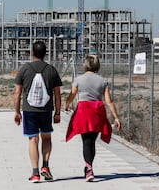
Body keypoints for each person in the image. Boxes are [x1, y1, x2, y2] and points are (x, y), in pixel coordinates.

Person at [64, 54, 121, 182]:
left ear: (85, 65)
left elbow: (72, 95)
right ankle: (89, 166)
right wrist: (116, 117)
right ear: (97, 65)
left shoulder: (79, 79)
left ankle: (89, 169)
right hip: (97, 112)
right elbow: (109, 101)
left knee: (86, 140)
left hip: (84, 111)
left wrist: (66, 105)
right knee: (92, 141)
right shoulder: (103, 81)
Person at [14, 41, 62, 183]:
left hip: (29, 110)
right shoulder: (51, 70)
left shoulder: (24, 69)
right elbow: (58, 94)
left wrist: (17, 112)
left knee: (33, 139)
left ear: (32, 53)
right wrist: (57, 112)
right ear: (45, 53)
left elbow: (17, 92)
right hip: (46, 110)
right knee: (46, 138)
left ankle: (35, 173)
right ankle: (45, 167)